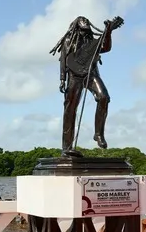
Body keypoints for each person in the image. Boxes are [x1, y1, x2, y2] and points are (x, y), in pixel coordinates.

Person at [49, 16, 123, 156]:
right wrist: (62, 78)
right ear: (76, 24)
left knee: (103, 97)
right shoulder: (68, 40)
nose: (85, 22)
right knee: (70, 110)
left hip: (91, 74)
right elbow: (64, 59)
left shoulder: (92, 41)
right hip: (73, 76)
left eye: (87, 20)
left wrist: (108, 32)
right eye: (82, 20)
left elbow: (105, 48)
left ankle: (98, 134)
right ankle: (67, 147)